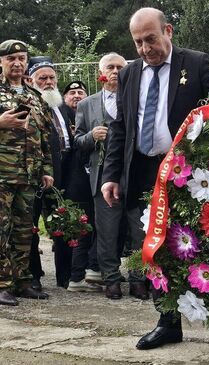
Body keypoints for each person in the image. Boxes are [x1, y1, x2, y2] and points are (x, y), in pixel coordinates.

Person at [100, 8, 209, 349]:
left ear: (167, 30)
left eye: (150, 39)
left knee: (200, 243)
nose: (144, 48)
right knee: (152, 249)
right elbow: (120, 128)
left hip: (188, 174)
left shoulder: (195, 63)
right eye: (138, 42)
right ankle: (168, 321)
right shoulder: (129, 74)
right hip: (143, 173)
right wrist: (111, 175)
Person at [0, 40, 54, 306]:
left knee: (24, 230)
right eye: (11, 58)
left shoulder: (35, 95)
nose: (17, 63)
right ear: (1, 62)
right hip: (2, 176)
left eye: (21, 58)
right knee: (1, 230)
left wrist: (47, 170)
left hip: (28, 175)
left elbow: (44, 138)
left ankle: (22, 281)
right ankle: (2, 283)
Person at [28, 56, 88, 290]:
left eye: (52, 77)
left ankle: (65, 276)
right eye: (42, 78)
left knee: (63, 224)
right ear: (31, 80)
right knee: (31, 225)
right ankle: (33, 275)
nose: (49, 82)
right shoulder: (28, 104)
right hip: (35, 175)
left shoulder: (62, 106)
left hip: (63, 174)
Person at [75, 53, 128, 299]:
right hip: (101, 177)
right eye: (111, 67)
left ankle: (139, 279)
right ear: (101, 72)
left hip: (132, 174)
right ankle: (111, 279)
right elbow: (77, 141)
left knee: (138, 229)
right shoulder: (87, 104)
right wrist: (91, 136)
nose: (116, 71)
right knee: (106, 231)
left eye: (120, 67)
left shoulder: (135, 99)